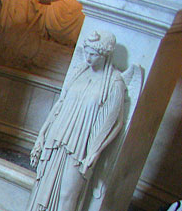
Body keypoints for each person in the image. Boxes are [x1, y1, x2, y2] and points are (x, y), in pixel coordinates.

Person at [27, 31, 127, 211]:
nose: (88, 58)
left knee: (67, 195)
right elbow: (59, 105)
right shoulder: (78, 72)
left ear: (105, 54)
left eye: (93, 54)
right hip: (56, 139)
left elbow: (117, 124)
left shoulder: (114, 83)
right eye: (86, 52)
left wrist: (95, 152)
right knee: (41, 187)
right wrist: (42, 134)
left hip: (80, 148)